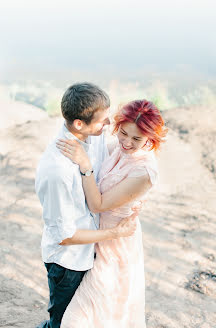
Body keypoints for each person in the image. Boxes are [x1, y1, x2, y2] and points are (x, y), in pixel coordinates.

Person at [56, 99, 168, 328]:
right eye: (123, 133)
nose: (126, 142)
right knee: (98, 318)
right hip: (94, 240)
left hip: (116, 251)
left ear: (151, 138)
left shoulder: (144, 172)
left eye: (136, 139)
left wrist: (85, 165)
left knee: (77, 320)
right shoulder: (116, 147)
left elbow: (98, 204)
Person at [35, 83, 138, 328]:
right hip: (68, 263)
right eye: (103, 121)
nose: (108, 126)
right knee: (62, 323)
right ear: (79, 124)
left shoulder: (94, 137)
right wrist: (116, 233)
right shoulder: (57, 170)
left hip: (92, 254)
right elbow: (65, 236)